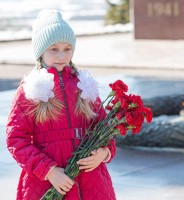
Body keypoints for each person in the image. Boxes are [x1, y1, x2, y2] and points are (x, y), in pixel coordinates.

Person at [6, 9, 116, 200]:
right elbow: (16, 139)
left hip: (91, 179)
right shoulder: (31, 89)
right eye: (53, 49)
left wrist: (104, 153)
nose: (61, 55)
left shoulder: (83, 84)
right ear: (41, 51)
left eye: (67, 49)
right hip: (47, 181)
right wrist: (48, 171)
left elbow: (104, 127)